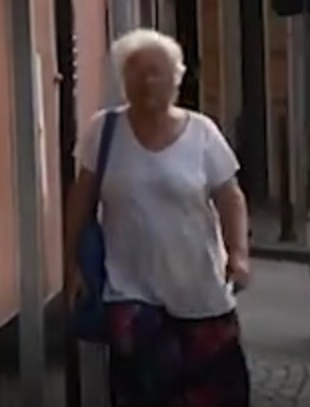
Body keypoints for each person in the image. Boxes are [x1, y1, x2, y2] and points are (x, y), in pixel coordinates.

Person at [64, 27, 253, 406]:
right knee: (144, 393)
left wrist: (238, 254)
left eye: (157, 71)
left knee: (215, 394)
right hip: (131, 295)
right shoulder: (104, 131)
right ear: (123, 80)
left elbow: (230, 197)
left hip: (200, 292)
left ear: (177, 79)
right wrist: (72, 264)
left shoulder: (202, 133)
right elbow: (80, 201)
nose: (147, 81)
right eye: (136, 72)